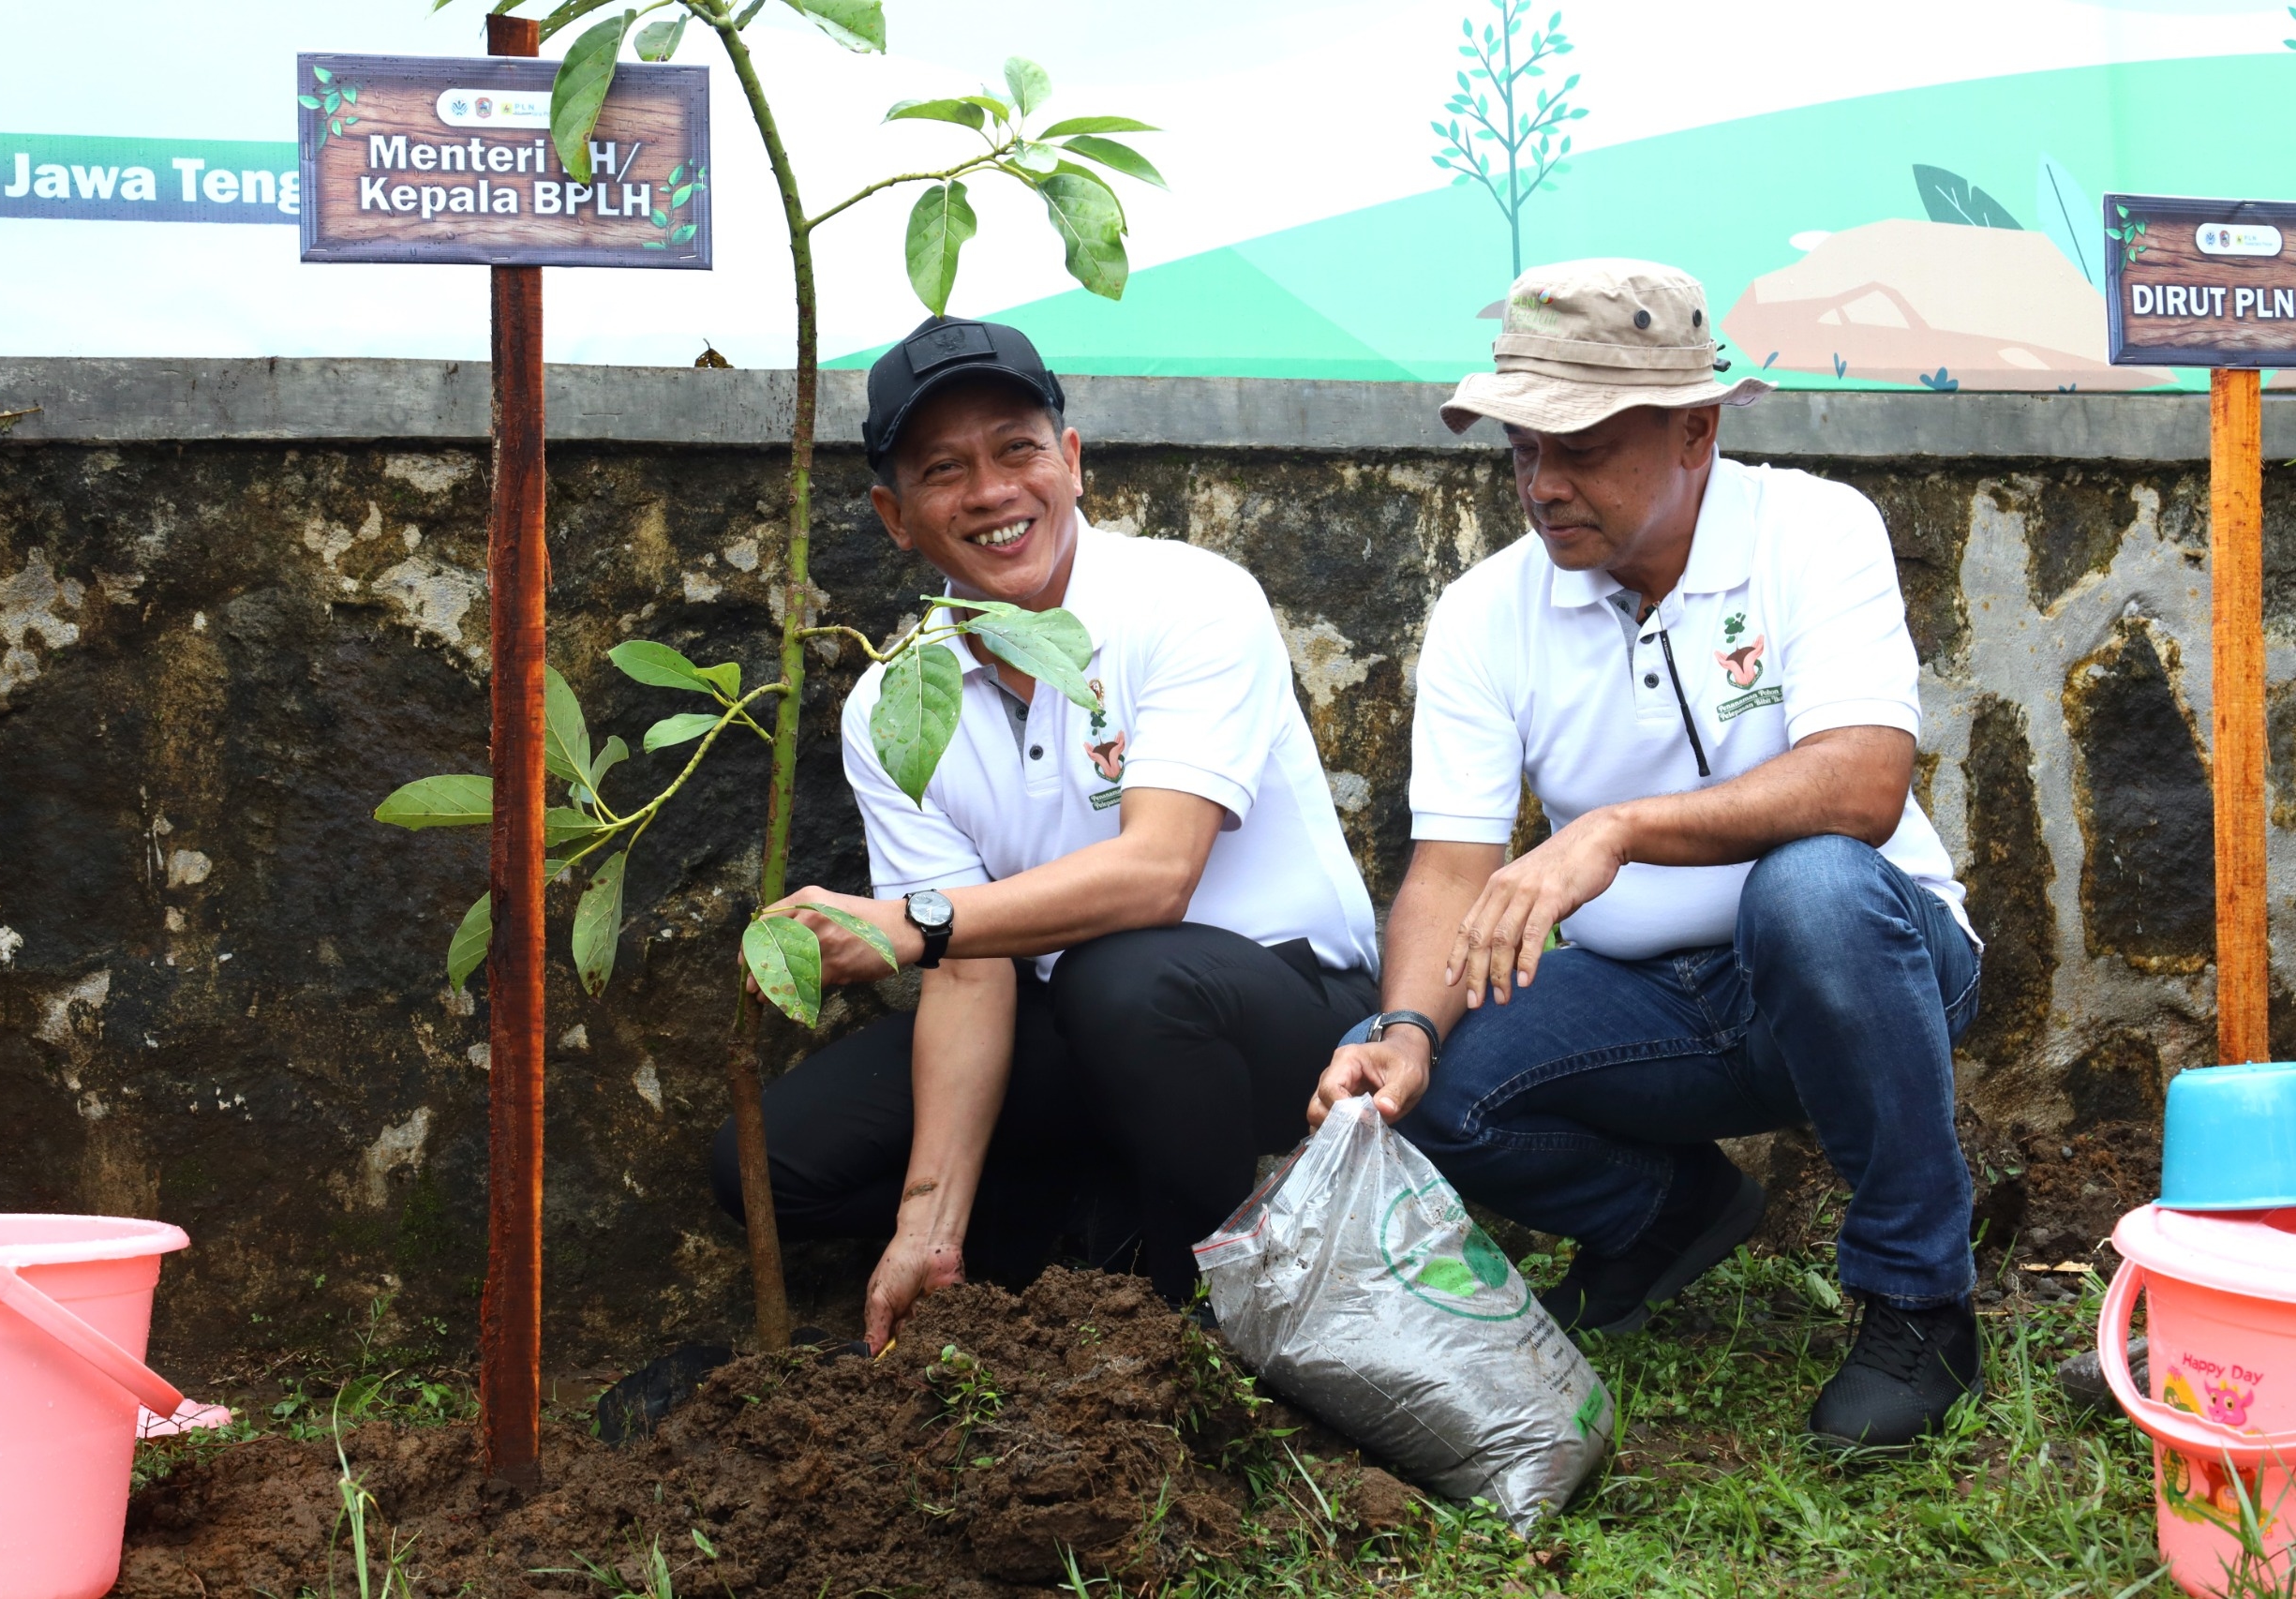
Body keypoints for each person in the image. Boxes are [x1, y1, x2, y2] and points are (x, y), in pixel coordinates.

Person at [1309, 260, 1983, 1452]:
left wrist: (1611, 830)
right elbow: (1452, 868)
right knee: (1437, 1079)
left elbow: (1863, 781)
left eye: (1579, 446)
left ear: (1694, 429)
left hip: (1866, 960)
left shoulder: (1813, 527)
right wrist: (1403, 1032)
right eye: (1522, 447)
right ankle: (1667, 1215)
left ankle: (1918, 1301)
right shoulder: (1485, 609)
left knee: (1812, 888)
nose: (1542, 483)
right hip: (1644, 997)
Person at [713, 315, 1380, 1352]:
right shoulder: (896, 702)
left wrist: (914, 920)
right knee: (785, 1158)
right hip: (1086, 1026)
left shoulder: (1188, 599)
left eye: (1016, 449)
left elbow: (1159, 873)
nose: (990, 491)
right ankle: (1085, 1242)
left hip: (1285, 1015)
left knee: (1130, 979)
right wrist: (927, 1226)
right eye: (943, 468)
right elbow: (968, 969)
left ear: (1070, 461)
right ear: (894, 515)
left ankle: (1190, 1328)